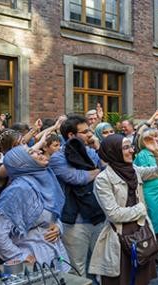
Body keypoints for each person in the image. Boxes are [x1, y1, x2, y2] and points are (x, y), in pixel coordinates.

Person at [89, 134, 158, 284]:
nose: (132, 150)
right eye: (126, 147)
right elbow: (114, 214)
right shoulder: (103, 179)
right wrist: (141, 209)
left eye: (131, 146)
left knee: (142, 280)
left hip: (141, 232)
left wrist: (157, 152)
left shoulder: (134, 170)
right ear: (113, 152)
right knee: (121, 280)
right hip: (119, 236)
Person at [0, 144, 70, 271]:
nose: (39, 151)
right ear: (22, 163)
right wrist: (20, 256)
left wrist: (58, 227)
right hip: (35, 262)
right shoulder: (17, 190)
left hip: (57, 256)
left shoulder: (45, 180)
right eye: (31, 152)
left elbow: (52, 213)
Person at [50, 115, 103, 277]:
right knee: (76, 269)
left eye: (90, 130)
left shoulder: (91, 151)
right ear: (71, 135)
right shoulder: (57, 157)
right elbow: (77, 178)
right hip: (73, 222)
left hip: (97, 216)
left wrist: (98, 149)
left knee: (102, 266)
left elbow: (106, 171)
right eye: (85, 131)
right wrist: (96, 171)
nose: (90, 134)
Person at [133, 128, 158, 257]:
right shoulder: (142, 154)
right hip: (150, 192)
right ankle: (153, 250)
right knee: (153, 219)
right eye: (152, 137)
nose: (156, 138)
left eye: (156, 135)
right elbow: (147, 173)